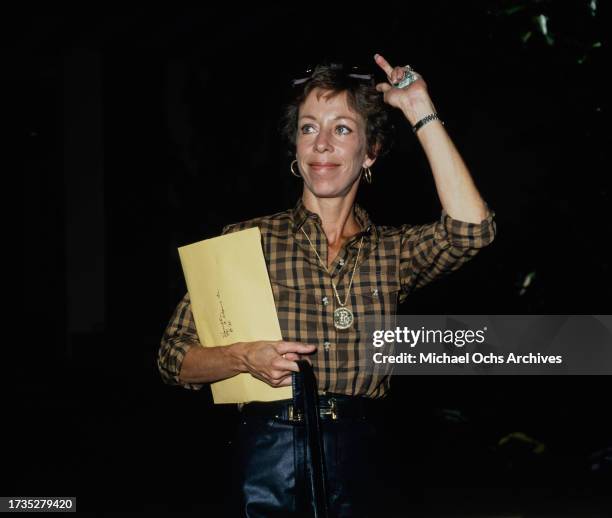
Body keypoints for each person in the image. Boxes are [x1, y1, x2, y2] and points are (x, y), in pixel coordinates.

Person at [158, 54, 497, 517]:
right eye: (308, 128)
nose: (321, 145)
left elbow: (471, 230)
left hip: (363, 463)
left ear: (370, 151)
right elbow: (174, 356)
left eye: (341, 129)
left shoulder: (392, 251)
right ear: (295, 150)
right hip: (266, 461)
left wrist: (420, 109)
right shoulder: (246, 240)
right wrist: (243, 357)